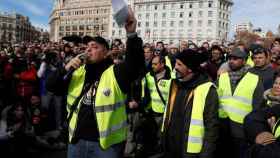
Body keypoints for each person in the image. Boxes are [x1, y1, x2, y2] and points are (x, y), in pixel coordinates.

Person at [46, 7, 144, 158]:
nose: (88, 50)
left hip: (105, 146)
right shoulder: (77, 72)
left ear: (106, 53)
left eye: (94, 47)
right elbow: (51, 86)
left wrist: (131, 34)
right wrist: (65, 68)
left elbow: (136, 64)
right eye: (87, 47)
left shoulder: (115, 72)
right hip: (76, 141)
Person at [161, 49, 219, 158]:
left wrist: (206, 154)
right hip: (170, 147)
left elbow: (212, 127)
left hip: (191, 152)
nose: (175, 67)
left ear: (190, 69)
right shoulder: (174, 84)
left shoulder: (207, 89)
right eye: (175, 63)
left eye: (179, 64)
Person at [217, 48, 264, 158]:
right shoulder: (223, 77)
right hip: (223, 127)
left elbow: (257, 106)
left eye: (235, 59)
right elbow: (216, 99)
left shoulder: (255, 78)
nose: (231, 61)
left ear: (244, 61)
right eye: (230, 58)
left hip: (242, 129)